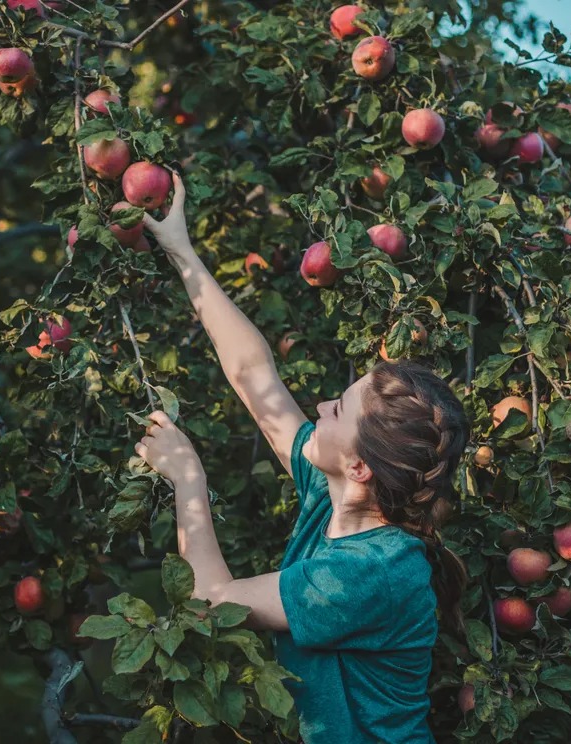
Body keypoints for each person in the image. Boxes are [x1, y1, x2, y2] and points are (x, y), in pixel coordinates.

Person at [131, 171, 469, 743]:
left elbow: (212, 602)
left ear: (360, 468)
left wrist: (188, 480)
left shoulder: (372, 573)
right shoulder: (333, 494)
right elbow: (252, 374)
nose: (319, 404)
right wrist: (180, 249)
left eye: (338, 410)